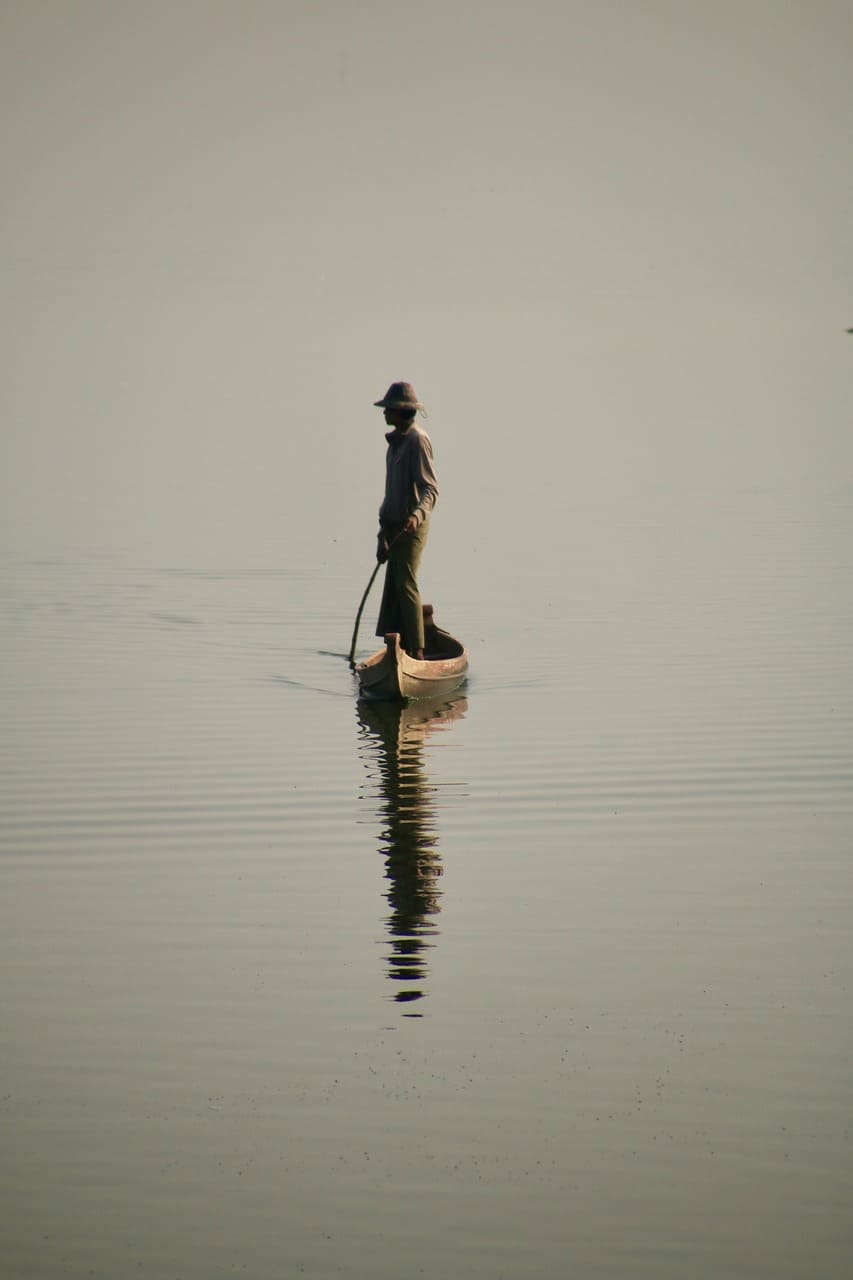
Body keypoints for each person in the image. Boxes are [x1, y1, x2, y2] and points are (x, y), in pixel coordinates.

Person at [373, 381, 439, 660]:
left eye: (389, 409)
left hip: (412, 527)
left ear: (401, 412)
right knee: (392, 587)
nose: (385, 414)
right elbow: (390, 495)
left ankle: (419, 652)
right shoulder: (394, 444)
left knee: (406, 582)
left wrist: (416, 515)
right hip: (392, 526)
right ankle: (398, 647)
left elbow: (430, 489)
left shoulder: (417, 440)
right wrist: (382, 535)